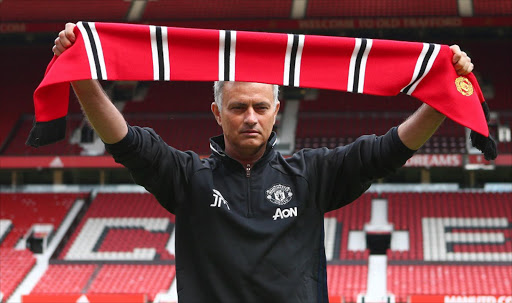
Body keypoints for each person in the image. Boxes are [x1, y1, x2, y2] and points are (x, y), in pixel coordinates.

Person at [53, 23, 474, 302]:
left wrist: (442, 96)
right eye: (237, 107)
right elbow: (125, 141)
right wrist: (80, 75)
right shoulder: (187, 178)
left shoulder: (311, 174)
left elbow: (388, 151)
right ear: (218, 113)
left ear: (276, 109)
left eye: (259, 106)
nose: (250, 117)